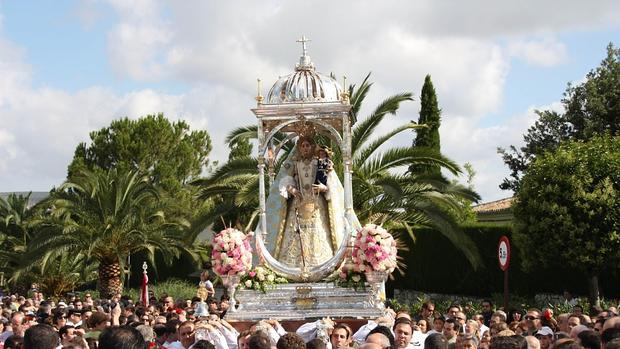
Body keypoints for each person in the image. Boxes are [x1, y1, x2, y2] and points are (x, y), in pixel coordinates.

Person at [267, 135, 345, 270]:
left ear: (312, 147)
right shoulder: (295, 164)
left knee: (317, 232)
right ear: (299, 148)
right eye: (302, 146)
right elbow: (287, 181)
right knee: (296, 233)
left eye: (307, 145)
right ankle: (294, 266)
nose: (305, 148)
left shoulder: (320, 162)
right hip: (298, 203)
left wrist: (324, 188)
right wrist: (291, 189)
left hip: (317, 203)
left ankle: (320, 264)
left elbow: (330, 182)